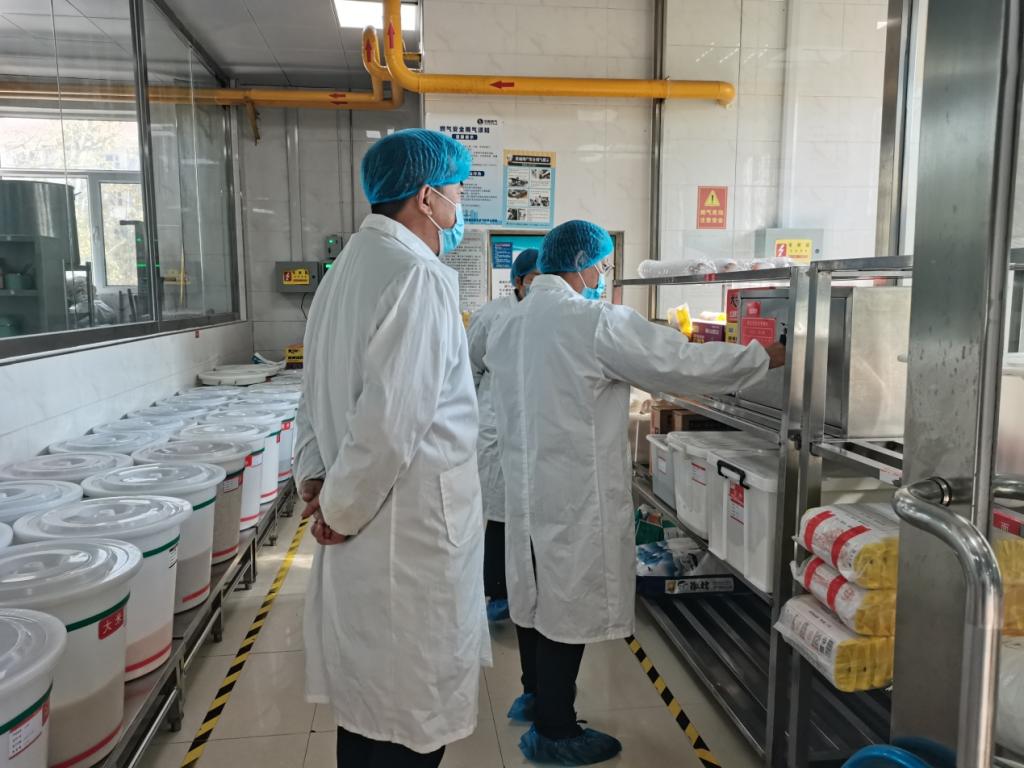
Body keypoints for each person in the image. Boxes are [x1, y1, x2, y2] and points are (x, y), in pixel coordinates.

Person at [486, 220, 785, 766]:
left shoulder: (512, 321)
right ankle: (556, 730)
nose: (602, 275)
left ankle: (535, 698)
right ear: (582, 264)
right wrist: (762, 357)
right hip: (575, 492)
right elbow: (679, 364)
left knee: (535, 596)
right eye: (601, 266)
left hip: (528, 489)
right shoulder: (592, 322)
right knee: (566, 607)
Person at [294, 128, 491, 768]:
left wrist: (314, 477)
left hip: (365, 517)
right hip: (404, 533)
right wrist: (338, 512)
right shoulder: (417, 276)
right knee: (408, 711)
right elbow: (389, 423)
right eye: (456, 191)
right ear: (426, 197)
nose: (460, 207)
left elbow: (312, 393)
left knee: (369, 705)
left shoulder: (345, 271)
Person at [467, 248, 541, 623]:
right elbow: (469, 366)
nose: (540, 285)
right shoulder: (492, 315)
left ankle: (535, 588)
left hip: (538, 424)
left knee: (536, 513)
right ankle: (497, 590)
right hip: (496, 422)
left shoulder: (552, 314)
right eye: (534, 279)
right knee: (500, 514)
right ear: (518, 281)